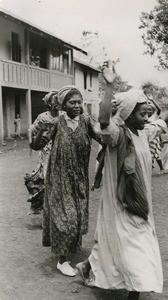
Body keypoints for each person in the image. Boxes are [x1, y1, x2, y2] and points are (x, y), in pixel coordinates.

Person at [76, 65, 168, 300]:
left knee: (133, 244)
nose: (147, 118)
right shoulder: (117, 135)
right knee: (130, 247)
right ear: (127, 114)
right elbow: (104, 120)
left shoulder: (144, 132)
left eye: (148, 114)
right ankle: (133, 293)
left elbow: (165, 120)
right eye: (142, 114)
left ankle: (91, 267)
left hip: (139, 199)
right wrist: (109, 86)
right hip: (121, 201)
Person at [30, 85, 102, 277]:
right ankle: (62, 261)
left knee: (76, 217)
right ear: (63, 104)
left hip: (79, 178)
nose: (78, 105)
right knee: (66, 219)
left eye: (80, 102)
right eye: (73, 102)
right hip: (59, 178)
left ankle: (67, 252)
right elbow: (36, 145)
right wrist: (39, 131)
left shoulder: (86, 121)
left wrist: (102, 170)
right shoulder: (55, 123)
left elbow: (105, 140)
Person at [24, 91, 62, 213]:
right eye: (54, 100)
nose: (57, 102)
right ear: (49, 103)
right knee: (47, 180)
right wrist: (31, 142)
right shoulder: (43, 117)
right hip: (46, 152)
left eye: (58, 99)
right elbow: (31, 129)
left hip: (61, 151)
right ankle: (47, 210)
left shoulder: (64, 116)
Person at [147, 98, 166, 174]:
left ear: (153, 111)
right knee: (148, 153)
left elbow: (159, 109)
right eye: (147, 109)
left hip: (154, 137)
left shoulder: (154, 116)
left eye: (150, 110)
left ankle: (162, 168)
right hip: (147, 137)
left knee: (156, 153)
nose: (148, 111)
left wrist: (152, 100)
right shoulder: (144, 116)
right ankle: (149, 167)